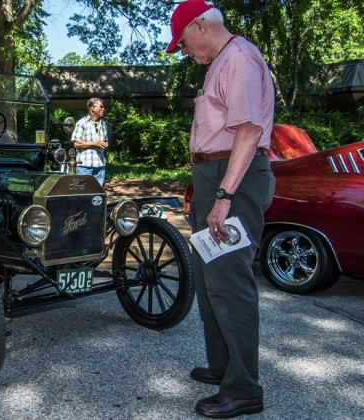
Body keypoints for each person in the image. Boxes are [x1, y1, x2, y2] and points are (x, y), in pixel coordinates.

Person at [166, 1, 275, 418]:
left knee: (229, 281)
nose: (184, 51)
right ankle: (223, 366)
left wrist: (225, 195)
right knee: (211, 277)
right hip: (216, 174)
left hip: (235, 175)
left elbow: (248, 130)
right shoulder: (222, 62)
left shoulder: (240, 57)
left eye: (184, 43)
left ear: (200, 26)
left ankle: (244, 388)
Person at [71, 98, 109, 185]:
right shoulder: (81, 123)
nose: (103, 109)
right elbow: (76, 144)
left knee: (98, 194)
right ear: (92, 108)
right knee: (84, 193)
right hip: (85, 166)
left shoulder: (103, 124)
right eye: (101, 107)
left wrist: (105, 144)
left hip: (100, 165)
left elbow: (105, 142)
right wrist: (94, 143)